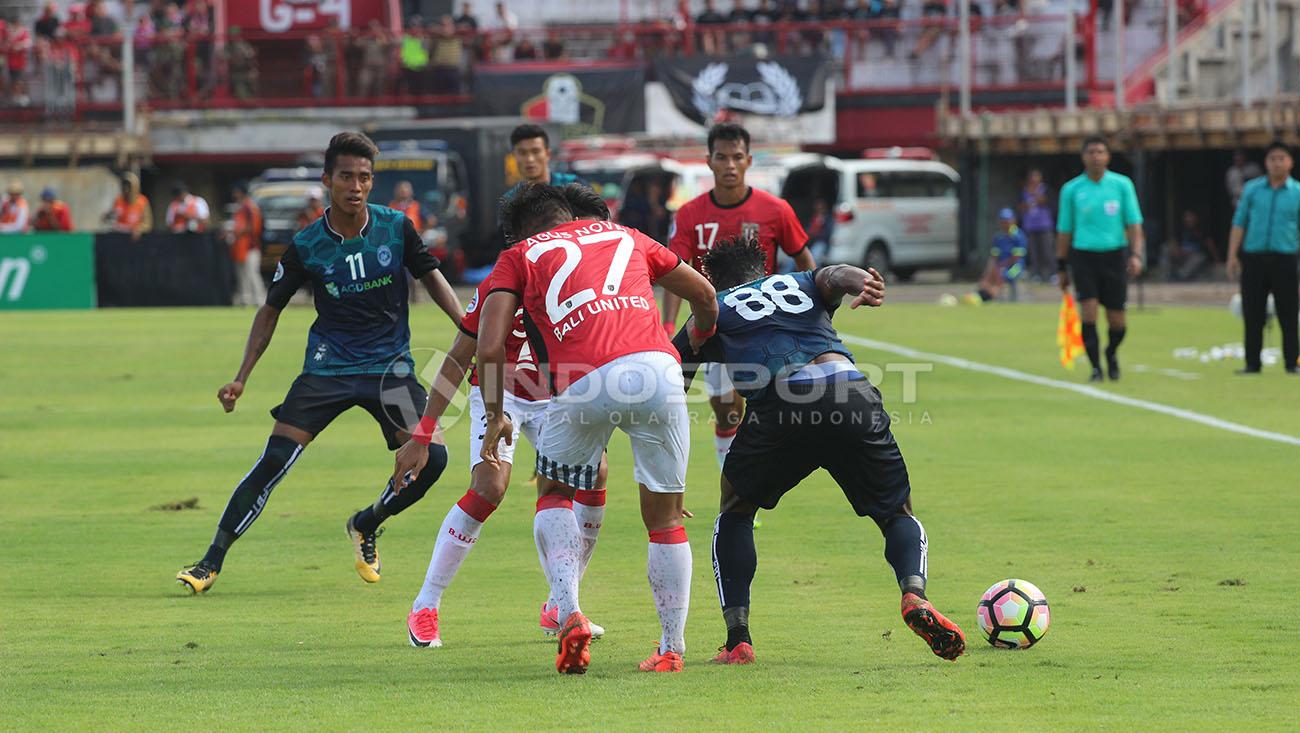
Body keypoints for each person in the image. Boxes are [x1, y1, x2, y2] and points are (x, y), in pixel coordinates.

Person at [175, 132, 464, 595]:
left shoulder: (395, 228)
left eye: (365, 177)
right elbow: (269, 309)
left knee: (434, 460)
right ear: (328, 180)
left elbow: (433, 278)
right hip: (327, 369)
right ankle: (210, 562)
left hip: (390, 368)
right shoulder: (308, 244)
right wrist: (241, 377)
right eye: (346, 176)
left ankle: (367, 522)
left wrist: (467, 328)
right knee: (273, 461)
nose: (356, 186)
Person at [671, 234, 964, 666]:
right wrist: (863, 279)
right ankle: (914, 594)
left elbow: (673, 380)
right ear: (766, 267)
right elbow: (833, 275)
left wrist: (668, 473)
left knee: (735, 510)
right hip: (851, 391)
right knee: (896, 513)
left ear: (710, 277)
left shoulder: (711, 306)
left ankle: (738, 640)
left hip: (783, 403)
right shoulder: (797, 281)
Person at [477, 183, 719, 674]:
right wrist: (695, 340)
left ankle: (568, 613)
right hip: (657, 368)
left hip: (581, 381)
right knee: (666, 519)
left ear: (522, 229)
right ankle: (671, 649)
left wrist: (495, 414)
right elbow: (705, 296)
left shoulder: (520, 254)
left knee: (554, 490)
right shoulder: (628, 235)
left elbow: (489, 345)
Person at [393, 184, 614, 648]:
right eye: (557, 228)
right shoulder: (502, 280)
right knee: (490, 486)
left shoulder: (580, 275)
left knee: (595, 477)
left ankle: (562, 601)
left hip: (558, 397)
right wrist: (423, 434)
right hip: (502, 398)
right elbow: (459, 357)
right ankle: (425, 605)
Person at [665, 122, 816, 468]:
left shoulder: (776, 210)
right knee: (726, 411)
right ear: (709, 161)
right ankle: (733, 487)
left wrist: (804, 310)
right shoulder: (690, 214)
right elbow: (673, 270)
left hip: (764, 324)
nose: (729, 165)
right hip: (713, 324)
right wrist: (668, 323)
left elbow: (805, 263)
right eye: (722, 157)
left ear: (748, 160)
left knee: (769, 408)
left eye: (736, 157)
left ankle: (750, 483)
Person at [1056, 136, 1146, 382]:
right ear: (1083, 157)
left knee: (1117, 320)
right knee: (1089, 311)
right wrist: (1061, 266)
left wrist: (1136, 255)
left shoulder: (1121, 185)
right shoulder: (1072, 190)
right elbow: (1064, 230)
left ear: (1107, 156)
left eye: (1100, 152)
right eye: (1091, 152)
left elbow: (1134, 224)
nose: (1096, 156)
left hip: (1115, 255)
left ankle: (1111, 351)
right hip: (1084, 256)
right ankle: (1096, 367)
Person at [1225, 141, 1300, 375]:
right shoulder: (1252, 190)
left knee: (1288, 313)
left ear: (1290, 162)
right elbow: (1239, 223)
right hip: (1255, 258)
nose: (1277, 163)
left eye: (1281, 158)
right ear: (1265, 163)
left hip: (1285, 259)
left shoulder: (1297, 192)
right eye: (1272, 159)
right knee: (1253, 311)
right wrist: (1232, 255)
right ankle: (1252, 363)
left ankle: (1293, 362)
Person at [970, 208, 1026, 302]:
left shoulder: (1018, 236)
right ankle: (982, 295)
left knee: (1001, 275)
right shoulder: (998, 237)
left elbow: (1016, 258)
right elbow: (994, 257)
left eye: (1007, 221)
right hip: (1001, 266)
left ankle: (990, 296)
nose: (1005, 223)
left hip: (1016, 266)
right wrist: (989, 270)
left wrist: (1000, 267)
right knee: (988, 275)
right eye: (1003, 221)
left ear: (1013, 221)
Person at [229, 183, 265, 307]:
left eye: (236, 191)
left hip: (251, 246)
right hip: (240, 246)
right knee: (242, 274)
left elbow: (254, 228)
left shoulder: (250, 207)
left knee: (252, 273)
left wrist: (239, 232)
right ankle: (245, 299)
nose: (234, 194)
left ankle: (260, 300)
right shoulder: (240, 207)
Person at [1019, 169, 1055, 281]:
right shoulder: (1024, 191)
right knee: (1033, 252)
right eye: (1032, 177)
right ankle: (1036, 274)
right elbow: (1020, 207)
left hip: (1044, 225)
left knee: (1047, 250)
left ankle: (1053, 274)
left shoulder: (1045, 189)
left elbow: (1049, 202)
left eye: (1036, 177)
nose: (1034, 179)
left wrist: (1036, 195)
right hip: (1030, 226)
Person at [1163, 209, 1217, 282]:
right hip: (1181, 254)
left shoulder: (1202, 228)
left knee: (1199, 257)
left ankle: (1180, 275)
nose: (1189, 219)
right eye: (1187, 217)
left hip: (1195, 255)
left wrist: (1217, 259)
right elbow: (1173, 240)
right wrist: (1177, 249)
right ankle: (1167, 273)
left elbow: (1210, 244)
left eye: (1190, 216)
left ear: (1196, 218)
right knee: (1166, 247)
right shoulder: (1180, 228)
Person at [105, 172, 152, 238]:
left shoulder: (142, 202)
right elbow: (109, 217)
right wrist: (107, 217)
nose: (126, 189)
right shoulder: (118, 201)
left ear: (135, 188)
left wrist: (139, 229)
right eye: (124, 186)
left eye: (129, 186)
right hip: (119, 236)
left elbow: (148, 224)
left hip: (134, 238)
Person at [805, 198, 835, 263]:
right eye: (817, 207)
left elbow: (827, 234)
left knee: (815, 255)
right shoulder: (813, 218)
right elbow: (807, 230)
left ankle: (814, 272)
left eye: (821, 207)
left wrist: (815, 234)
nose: (819, 209)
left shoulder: (828, 219)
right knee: (793, 259)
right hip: (810, 242)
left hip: (821, 242)